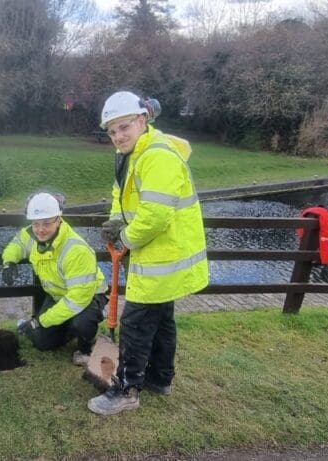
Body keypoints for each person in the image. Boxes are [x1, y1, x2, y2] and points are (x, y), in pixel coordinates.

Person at [87, 91, 209, 415]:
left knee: (136, 324)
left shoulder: (157, 156)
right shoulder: (130, 154)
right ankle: (160, 378)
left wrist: (125, 239)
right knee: (162, 319)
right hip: (155, 252)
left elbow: (156, 215)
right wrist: (115, 220)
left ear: (142, 120)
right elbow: (119, 193)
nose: (117, 136)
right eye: (112, 131)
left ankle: (126, 391)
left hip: (162, 255)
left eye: (124, 127)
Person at [1, 192, 105, 365]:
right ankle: (66, 327)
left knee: (81, 322)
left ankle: (85, 348)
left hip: (89, 296)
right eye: (36, 223)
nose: (40, 229)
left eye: (47, 223)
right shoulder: (32, 235)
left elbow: (76, 300)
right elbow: (17, 243)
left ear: (58, 220)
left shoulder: (76, 250)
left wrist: (42, 320)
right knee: (42, 343)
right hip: (58, 295)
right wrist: (9, 261)